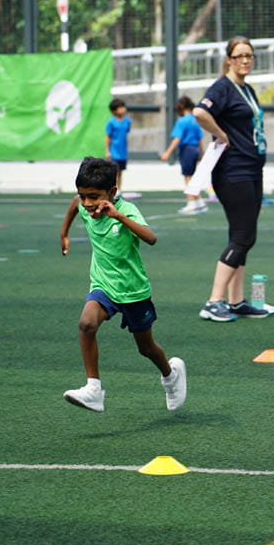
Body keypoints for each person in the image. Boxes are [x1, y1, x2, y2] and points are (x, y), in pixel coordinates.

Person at [59, 157, 186, 413]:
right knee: (86, 323)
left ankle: (171, 375)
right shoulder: (82, 205)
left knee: (146, 348)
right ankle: (94, 388)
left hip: (133, 290)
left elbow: (151, 238)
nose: (87, 203)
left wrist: (118, 216)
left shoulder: (126, 210)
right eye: (83, 196)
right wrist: (64, 233)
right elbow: (74, 206)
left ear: (112, 192)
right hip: (103, 286)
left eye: (94, 197)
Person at [193, 36, 269, 322]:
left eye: (249, 55)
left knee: (244, 235)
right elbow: (200, 112)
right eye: (239, 56)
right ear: (229, 59)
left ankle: (236, 301)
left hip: (251, 168)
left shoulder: (245, 88)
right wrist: (221, 134)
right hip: (232, 171)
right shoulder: (223, 87)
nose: (246, 60)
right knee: (243, 235)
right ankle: (214, 301)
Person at [160, 96, 207, 215]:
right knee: (192, 176)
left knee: (188, 177)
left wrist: (168, 152)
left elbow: (177, 138)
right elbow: (200, 138)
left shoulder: (182, 121)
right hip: (195, 149)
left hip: (187, 149)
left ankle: (191, 203)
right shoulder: (195, 120)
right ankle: (199, 201)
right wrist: (201, 152)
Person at [105, 98, 132, 190]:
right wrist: (107, 151)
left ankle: (119, 190)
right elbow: (108, 137)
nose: (123, 109)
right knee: (114, 173)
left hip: (123, 152)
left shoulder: (128, 121)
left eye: (123, 107)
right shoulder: (111, 122)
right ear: (114, 111)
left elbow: (126, 132)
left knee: (120, 172)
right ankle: (112, 190)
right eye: (120, 107)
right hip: (114, 152)